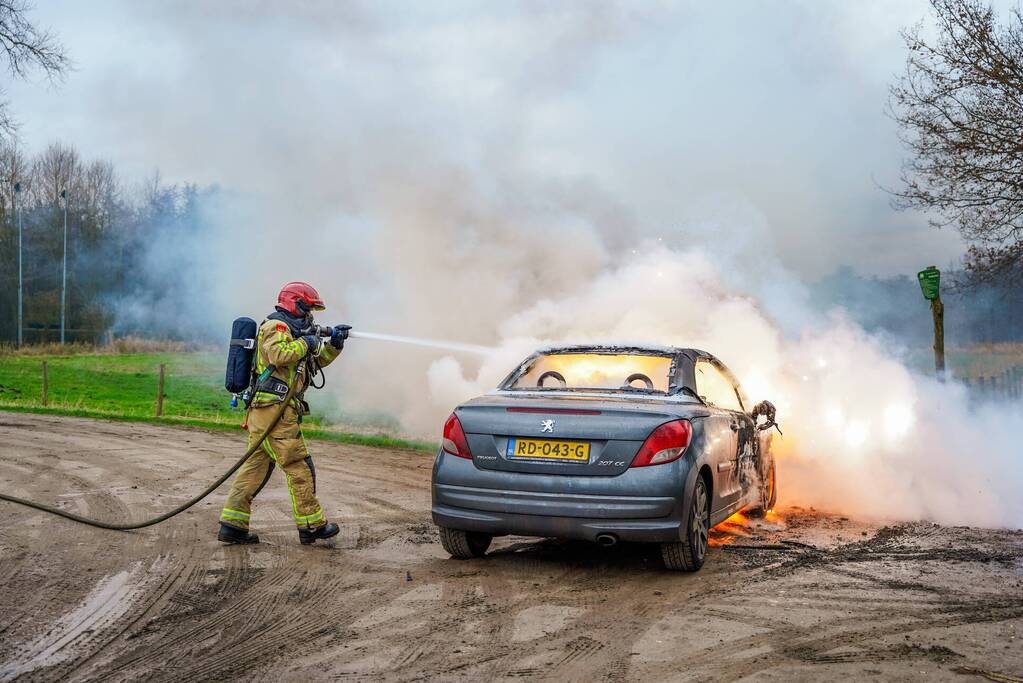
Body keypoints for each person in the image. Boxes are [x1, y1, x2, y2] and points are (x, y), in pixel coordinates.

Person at [218, 281, 349, 545]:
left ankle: (232, 525)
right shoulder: (275, 327)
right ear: (294, 303)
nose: (310, 316)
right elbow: (278, 354)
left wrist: (334, 345)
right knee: (298, 465)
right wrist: (308, 341)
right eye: (307, 309)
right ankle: (311, 525)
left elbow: (313, 363)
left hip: (269, 412)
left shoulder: (293, 332)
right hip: (275, 412)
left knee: (254, 469)